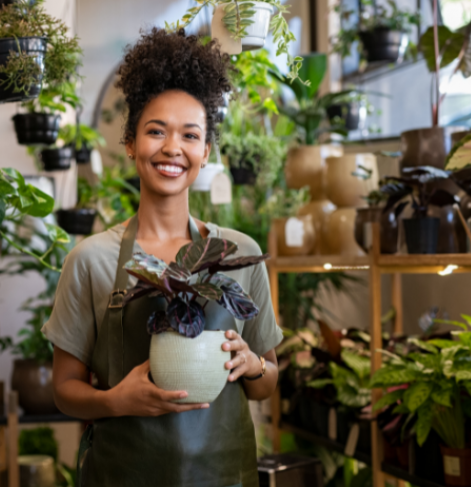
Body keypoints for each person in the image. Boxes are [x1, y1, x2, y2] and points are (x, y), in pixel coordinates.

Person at [41, 28, 283, 487]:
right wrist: (117, 401)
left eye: (190, 135)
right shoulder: (91, 260)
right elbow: (64, 391)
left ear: (205, 151)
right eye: (156, 131)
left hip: (225, 476)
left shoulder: (241, 255)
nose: (173, 148)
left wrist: (252, 364)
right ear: (131, 143)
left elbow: (267, 383)